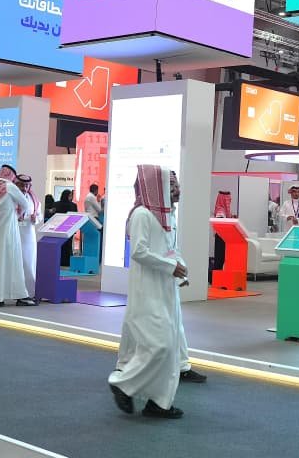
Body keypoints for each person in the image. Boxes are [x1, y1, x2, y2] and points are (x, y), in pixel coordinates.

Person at [109, 165, 190, 420]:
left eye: (176, 184)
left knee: (171, 347)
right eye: (171, 185)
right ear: (158, 186)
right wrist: (170, 267)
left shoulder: (168, 216)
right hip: (147, 290)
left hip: (167, 289)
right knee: (160, 345)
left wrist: (180, 269)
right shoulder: (142, 215)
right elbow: (139, 251)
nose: (177, 190)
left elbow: (170, 249)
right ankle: (123, 384)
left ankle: (159, 403)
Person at [0, 165, 34, 308]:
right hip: (8, 229)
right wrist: (17, 214)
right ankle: (19, 295)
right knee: (13, 262)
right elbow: (25, 204)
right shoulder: (8, 186)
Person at [17, 174, 41, 301]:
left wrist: (35, 218)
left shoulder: (33, 199)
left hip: (29, 235)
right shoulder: (12, 197)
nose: (24, 188)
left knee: (29, 263)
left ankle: (30, 292)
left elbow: (39, 215)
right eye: (21, 185)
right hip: (16, 233)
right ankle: (17, 293)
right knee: (18, 264)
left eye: (26, 185)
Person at [55, 189, 78, 267]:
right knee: (68, 245)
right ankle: (67, 262)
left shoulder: (56, 204)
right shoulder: (73, 205)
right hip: (69, 228)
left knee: (60, 245)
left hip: (58, 228)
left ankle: (59, 260)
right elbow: (75, 217)